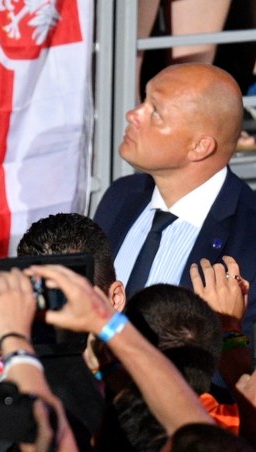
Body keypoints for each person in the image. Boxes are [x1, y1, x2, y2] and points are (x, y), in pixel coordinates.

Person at [93, 63, 256, 330]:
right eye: (144, 100)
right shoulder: (121, 197)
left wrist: (227, 329)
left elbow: (244, 364)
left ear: (200, 146)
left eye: (155, 111)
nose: (133, 114)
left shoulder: (248, 237)